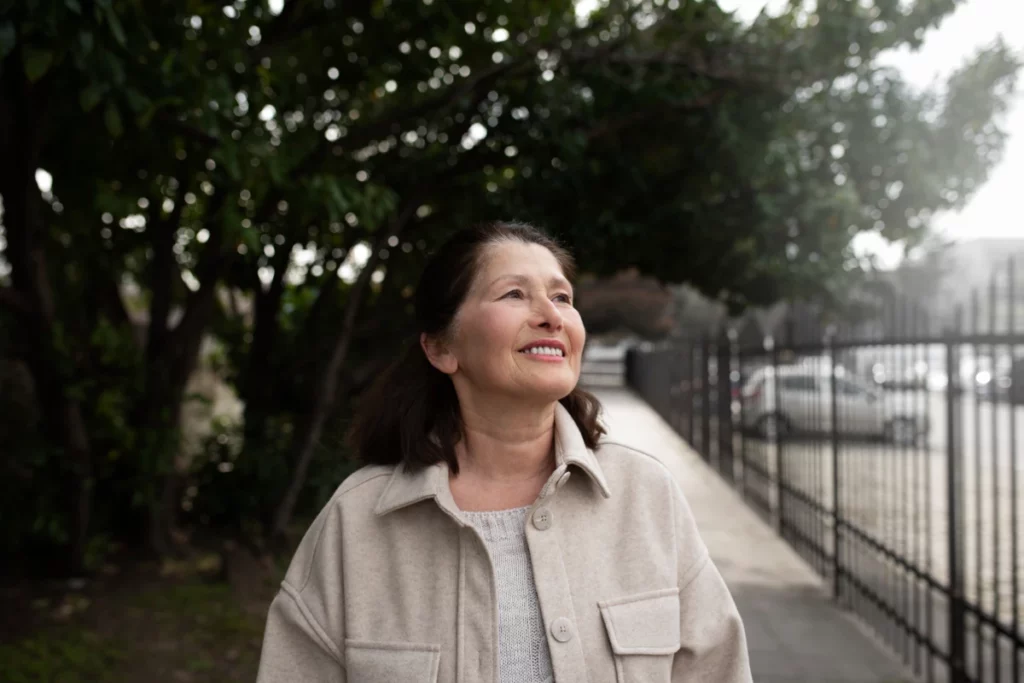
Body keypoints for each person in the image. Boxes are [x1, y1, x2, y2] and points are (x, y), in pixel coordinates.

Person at [256, 221, 752, 682]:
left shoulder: (646, 496)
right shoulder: (356, 522)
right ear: (441, 349)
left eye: (562, 296)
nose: (551, 316)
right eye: (515, 293)